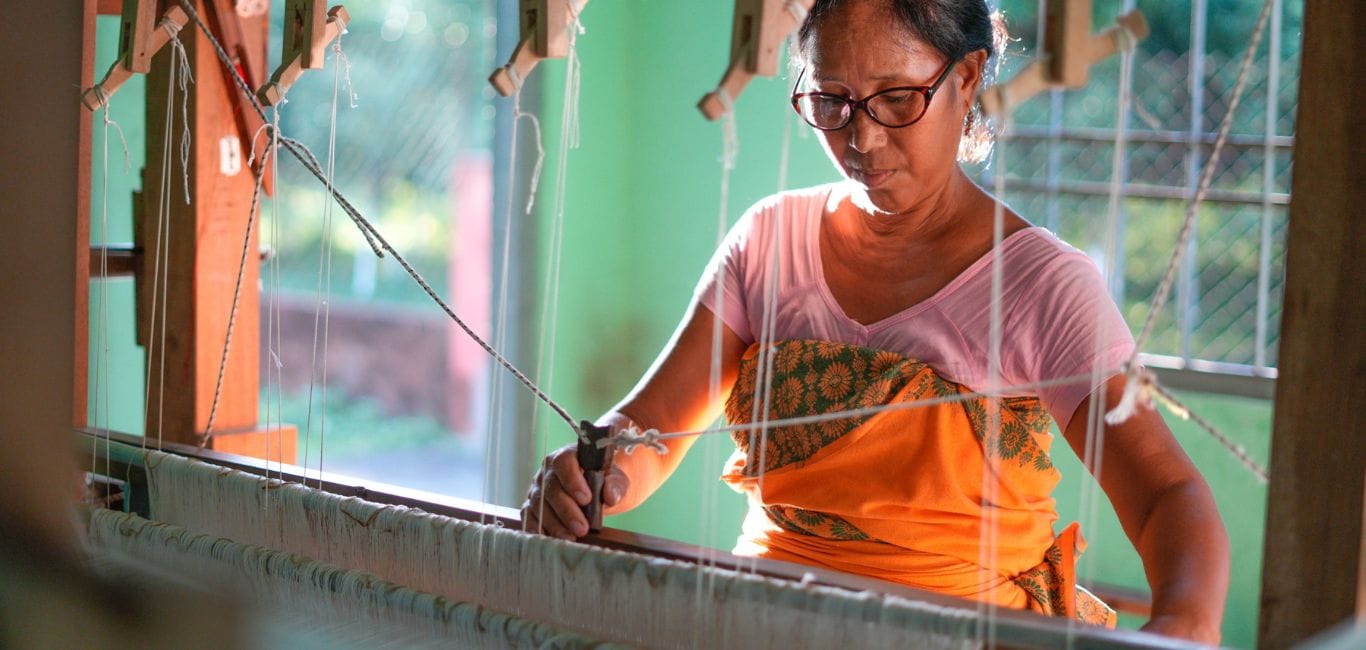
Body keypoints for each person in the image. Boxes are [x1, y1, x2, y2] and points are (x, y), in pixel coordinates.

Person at [521, 0, 1229, 643]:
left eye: (896, 99)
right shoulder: (769, 241)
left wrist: (1180, 627)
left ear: (966, 78)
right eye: (831, 101)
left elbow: (1168, 495)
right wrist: (594, 471)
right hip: (765, 626)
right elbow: (651, 430)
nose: (862, 137)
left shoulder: (1040, 285)